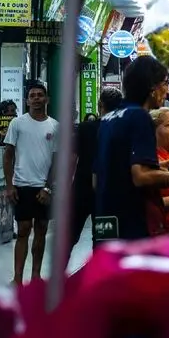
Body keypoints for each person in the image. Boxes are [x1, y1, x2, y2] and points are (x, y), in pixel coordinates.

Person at [94, 55, 169, 240]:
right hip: (130, 224)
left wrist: (159, 166)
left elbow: (98, 178)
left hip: (105, 219)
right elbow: (141, 177)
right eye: (165, 83)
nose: (167, 90)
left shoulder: (109, 119)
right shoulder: (139, 116)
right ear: (151, 87)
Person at [3, 81, 59, 284]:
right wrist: (10, 186)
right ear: (27, 101)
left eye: (40, 95)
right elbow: (8, 155)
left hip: (43, 187)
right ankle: (17, 278)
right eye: (32, 96)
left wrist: (48, 188)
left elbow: (57, 161)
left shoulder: (55, 126)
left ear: (47, 99)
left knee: (41, 229)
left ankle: (36, 276)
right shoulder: (17, 124)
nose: (36, 99)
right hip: (22, 185)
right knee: (23, 230)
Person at [70, 87, 123, 247]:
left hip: (81, 190)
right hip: (108, 193)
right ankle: (100, 264)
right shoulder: (121, 130)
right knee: (103, 239)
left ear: (100, 104)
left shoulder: (84, 128)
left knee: (69, 237)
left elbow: (72, 159)